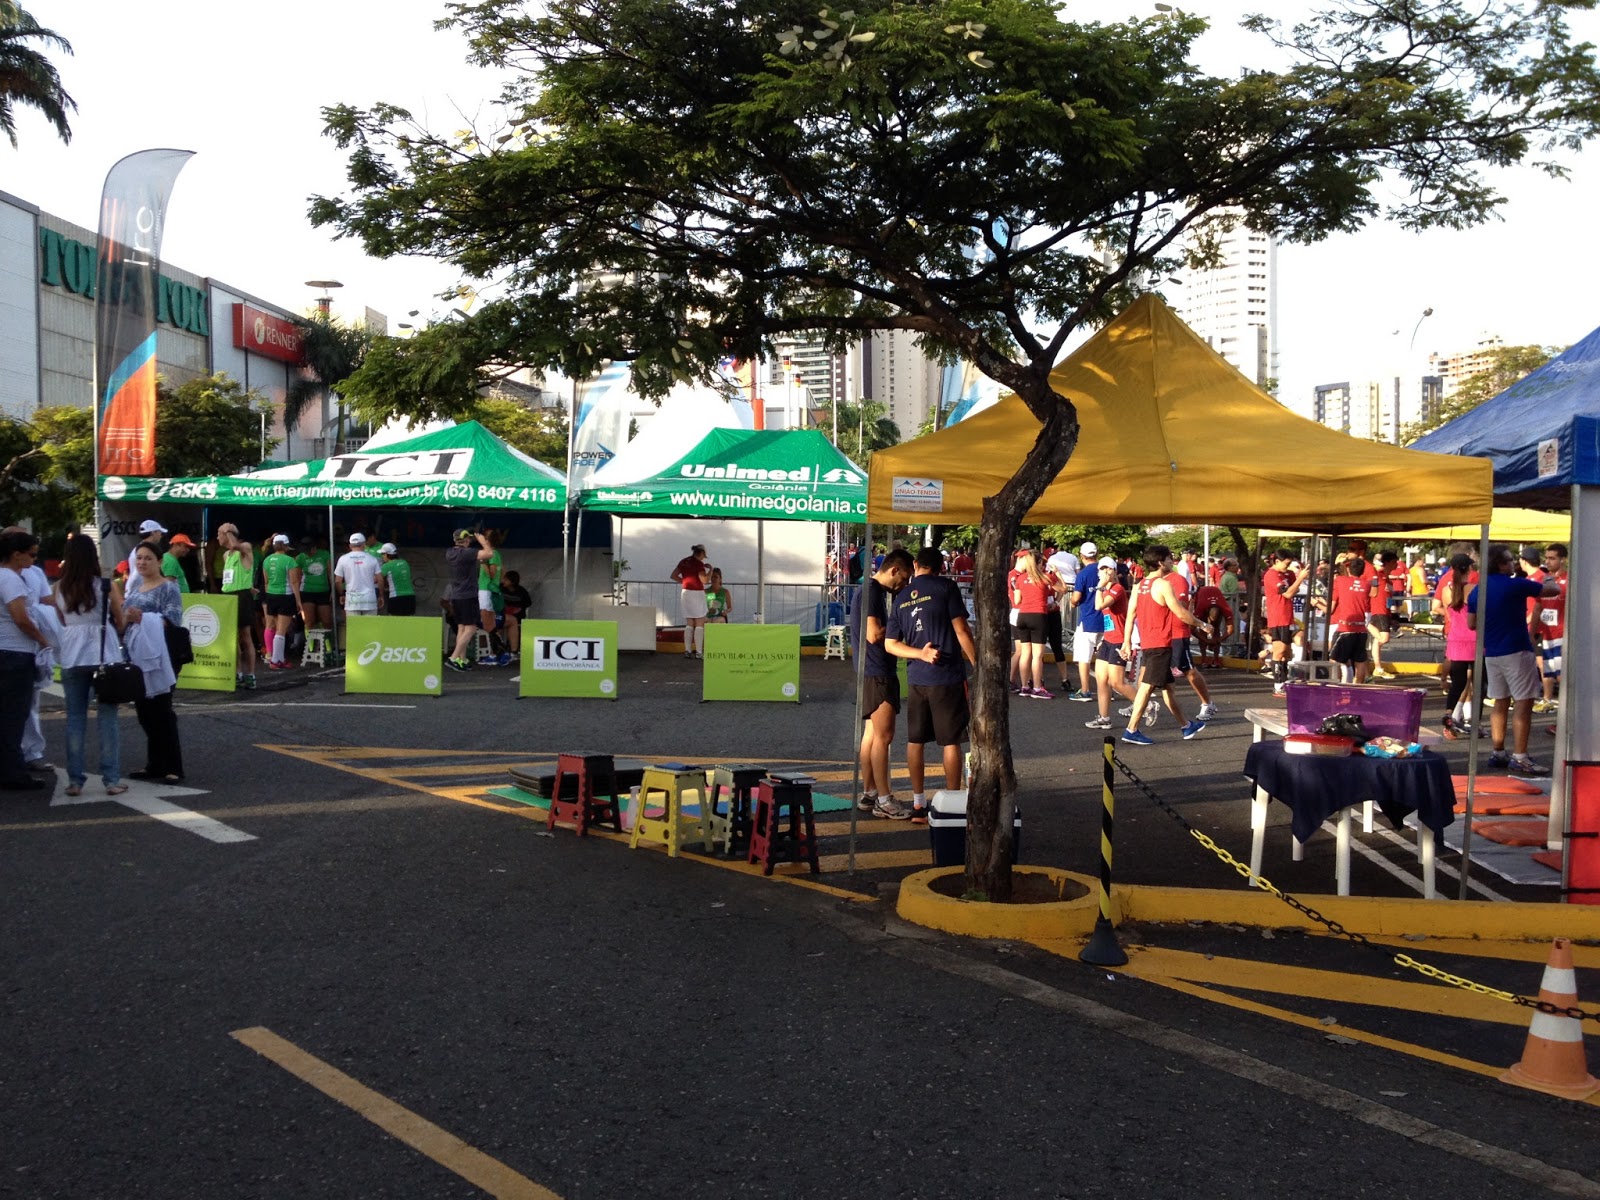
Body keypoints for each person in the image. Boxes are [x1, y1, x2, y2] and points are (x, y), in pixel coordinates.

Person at [885, 547, 977, 822]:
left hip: (916, 679)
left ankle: (917, 803)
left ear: (915, 565)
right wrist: (977, 664)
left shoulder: (900, 597)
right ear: (941, 566)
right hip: (947, 676)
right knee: (950, 741)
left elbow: (891, 644)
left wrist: (919, 654)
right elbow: (961, 629)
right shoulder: (946, 587)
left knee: (915, 740)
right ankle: (951, 801)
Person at [1467, 545, 1560, 777]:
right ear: (1501, 564)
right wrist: (1546, 572)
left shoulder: (1478, 590)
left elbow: (1471, 623)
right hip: (1516, 649)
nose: (1514, 564)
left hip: (1492, 651)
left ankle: (1498, 751)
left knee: (1500, 701)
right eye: (1510, 560)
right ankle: (1520, 756)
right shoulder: (1516, 584)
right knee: (1523, 702)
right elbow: (1552, 589)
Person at [52, 534, 124, 796]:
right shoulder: (105, 585)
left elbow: (61, 620)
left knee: (75, 719)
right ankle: (111, 780)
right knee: (108, 718)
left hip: (72, 655)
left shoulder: (58, 588)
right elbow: (120, 619)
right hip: (103, 654)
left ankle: (75, 781)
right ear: (93, 556)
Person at [1120, 545, 1209, 745]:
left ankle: (1186, 725)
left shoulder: (1139, 585)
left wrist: (1126, 642)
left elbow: (1130, 615)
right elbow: (1180, 612)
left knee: (1168, 687)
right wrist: (1203, 624)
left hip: (1150, 642)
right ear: (1161, 562)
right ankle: (1131, 729)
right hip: (1160, 643)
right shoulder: (1162, 584)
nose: (1172, 562)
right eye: (1169, 559)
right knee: (1147, 686)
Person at [851, 547, 914, 820]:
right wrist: (900, 626)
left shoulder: (867, 590)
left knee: (871, 735)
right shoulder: (873, 592)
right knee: (884, 737)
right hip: (878, 671)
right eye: (905, 578)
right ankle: (885, 799)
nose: (905, 584)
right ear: (894, 570)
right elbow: (874, 634)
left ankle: (870, 792)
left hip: (870, 670)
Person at [121, 542, 184, 783]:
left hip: (162, 656)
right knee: (144, 712)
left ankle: (173, 766)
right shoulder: (135, 588)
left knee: (162, 711)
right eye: (139, 558)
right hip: (137, 657)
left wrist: (142, 618)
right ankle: (154, 764)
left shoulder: (168, 588)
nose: (142, 562)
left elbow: (173, 619)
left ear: (159, 561)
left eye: (148, 558)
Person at [0, 530, 52, 790]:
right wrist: (43, 639)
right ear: (16, 555)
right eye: (31, 555)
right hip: (15, 653)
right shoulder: (10, 579)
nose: (33, 561)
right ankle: (13, 773)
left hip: (5, 651)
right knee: (13, 715)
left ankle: (9, 768)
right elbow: (21, 618)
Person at [1085, 559, 1145, 731]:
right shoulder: (1106, 590)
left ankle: (1145, 705)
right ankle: (1104, 717)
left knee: (1117, 682)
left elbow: (1099, 606)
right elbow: (1107, 618)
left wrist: (1099, 586)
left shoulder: (1117, 589)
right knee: (1101, 679)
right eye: (1101, 569)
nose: (1104, 572)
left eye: (1107, 569)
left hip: (1119, 639)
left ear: (1114, 571)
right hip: (1109, 639)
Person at [1432, 553, 1478, 739]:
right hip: (1474, 639)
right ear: (1468, 569)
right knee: (1477, 685)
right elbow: (1476, 618)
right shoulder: (1474, 589)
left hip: (1455, 638)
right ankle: (1473, 722)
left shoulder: (1446, 590)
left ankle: (1449, 713)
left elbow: (1448, 615)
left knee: (1457, 684)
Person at [1261, 547, 1310, 697]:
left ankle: (1285, 680)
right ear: (1276, 561)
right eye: (1286, 564)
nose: (1287, 567)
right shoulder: (1271, 575)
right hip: (1277, 616)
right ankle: (1278, 685)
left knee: (1287, 652)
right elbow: (1288, 593)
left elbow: (1294, 589)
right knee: (1279, 650)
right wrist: (1300, 578)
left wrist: (1298, 578)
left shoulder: (1288, 574)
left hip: (1289, 616)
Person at [445, 529, 494, 671]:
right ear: (466, 540)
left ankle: (462, 659)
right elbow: (489, 554)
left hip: (456, 595)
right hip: (468, 595)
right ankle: (454, 657)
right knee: (471, 628)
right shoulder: (467, 553)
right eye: (469, 540)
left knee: (462, 627)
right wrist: (483, 542)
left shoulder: (450, 552)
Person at [217, 522, 258, 690]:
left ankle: (251, 674)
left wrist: (228, 530)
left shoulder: (245, 548)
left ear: (228, 534)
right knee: (232, 638)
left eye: (220, 533)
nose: (218, 537)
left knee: (245, 636)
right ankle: (237, 673)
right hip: (228, 595)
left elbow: (235, 545)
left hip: (241, 596)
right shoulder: (226, 555)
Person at [1010, 548, 1055, 699]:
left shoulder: (1020, 578)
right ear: (1039, 563)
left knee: (1024, 653)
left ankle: (1024, 686)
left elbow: (1016, 600)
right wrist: (1058, 574)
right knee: (1037, 655)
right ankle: (1036, 687)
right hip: (1038, 615)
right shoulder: (1043, 577)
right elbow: (1060, 587)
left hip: (1022, 615)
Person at [1323, 555, 1373, 685]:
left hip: (1346, 627)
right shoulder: (1367, 585)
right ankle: (1359, 688)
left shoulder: (1340, 581)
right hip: (1361, 629)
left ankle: (1336, 686)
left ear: (1349, 569)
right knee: (1360, 661)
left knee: (1334, 660)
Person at [260, 534, 303, 671]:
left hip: (271, 596)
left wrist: (268, 596)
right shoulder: (290, 561)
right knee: (281, 630)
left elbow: (266, 582)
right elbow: (294, 582)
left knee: (273, 626)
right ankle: (275, 660)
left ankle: (279, 658)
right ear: (285, 546)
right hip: (285, 596)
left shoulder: (267, 560)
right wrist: (298, 600)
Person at [1067, 542, 1105, 700]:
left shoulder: (1083, 574)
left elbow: (1076, 598)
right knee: (1104, 659)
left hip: (1088, 620)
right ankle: (1105, 691)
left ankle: (1085, 690)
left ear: (1082, 556)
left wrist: (1072, 603)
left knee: (1084, 658)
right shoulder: (1106, 571)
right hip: (1106, 620)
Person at [1535, 542, 1568, 714]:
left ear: (1563, 560)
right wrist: (1532, 631)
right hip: (1547, 634)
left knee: (1562, 675)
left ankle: (1566, 710)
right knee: (1548, 672)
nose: (1547, 562)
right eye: (1546, 558)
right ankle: (1547, 700)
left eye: (1552, 558)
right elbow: (1538, 607)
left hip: (1563, 635)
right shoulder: (1544, 580)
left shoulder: (1569, 580)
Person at [671, 543, 710, 659]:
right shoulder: (699, 564)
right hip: (697, 593)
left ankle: (687, 650)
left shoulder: (683, 561)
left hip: (686, 592)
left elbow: (673, 575)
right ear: (701, 553)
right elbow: (704, 580)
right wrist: (710, 570)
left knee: (689, 622)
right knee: (699, 621)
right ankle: (698, 651)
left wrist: (684, 581)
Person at [334, 532, 382, 618]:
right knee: (370, 629)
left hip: (352, 601)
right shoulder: (372, 559)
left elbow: (338, 581)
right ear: (364, 544)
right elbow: (380, 579)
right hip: (369, 600)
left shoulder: (343, 559)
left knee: (354, 629)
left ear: (350, 545)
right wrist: (381, 595)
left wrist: (341, 594)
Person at [1190, 576, 1233, 669]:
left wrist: (1218, 640)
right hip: (1202, 596)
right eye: (1210, 620)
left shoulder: (1226, 609)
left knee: (1216, 629)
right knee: (1203, 629)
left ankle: (1216, 658)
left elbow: (1230, 630)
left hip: (1215, 597)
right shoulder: (1200, 608)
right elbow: (1192, 629)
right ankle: (1204, 658)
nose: (1211, 623)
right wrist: (1206, 640)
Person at [477, 530, 506, 659]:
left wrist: (482, 563)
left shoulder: (492, 555)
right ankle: (497, 652)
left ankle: (500, 651)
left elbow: (492, 574)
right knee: (490, 623)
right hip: (490, 589)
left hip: (487, 589)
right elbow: (502, 573)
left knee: (487, 623)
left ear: (487, 541)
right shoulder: (496, 555)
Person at [296, 534, 334, 633]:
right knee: (309, 621)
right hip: (306, 591)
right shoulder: (300, 557)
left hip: (323, 591)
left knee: (327, 621)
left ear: (314, 547)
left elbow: (330, 574)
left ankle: (327, 645)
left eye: (309, 550)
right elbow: (297, 578)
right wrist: (297, 598)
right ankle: (311, 647)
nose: (307, 553)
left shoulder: (325, 554)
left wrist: (332, 591)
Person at [499, 569, 533, 660]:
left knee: (514, 622)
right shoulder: (500, 588)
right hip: (502, 614)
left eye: (506, 580)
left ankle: (514, 651)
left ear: (512, 581)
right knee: (498, 624)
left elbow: (528, 603)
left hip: (517, 616)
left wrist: (518, 609)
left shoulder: (521, 591)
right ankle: (499, 648)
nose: (503, 581)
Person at [378, 543, 416, 617]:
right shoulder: (405, 563)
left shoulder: (386, 566)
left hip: (396, 598)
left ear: (387, 554)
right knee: (408, 623)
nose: (382, 556)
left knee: (394, 623)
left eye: (382, 554)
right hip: (410, 597)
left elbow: (376, 580)